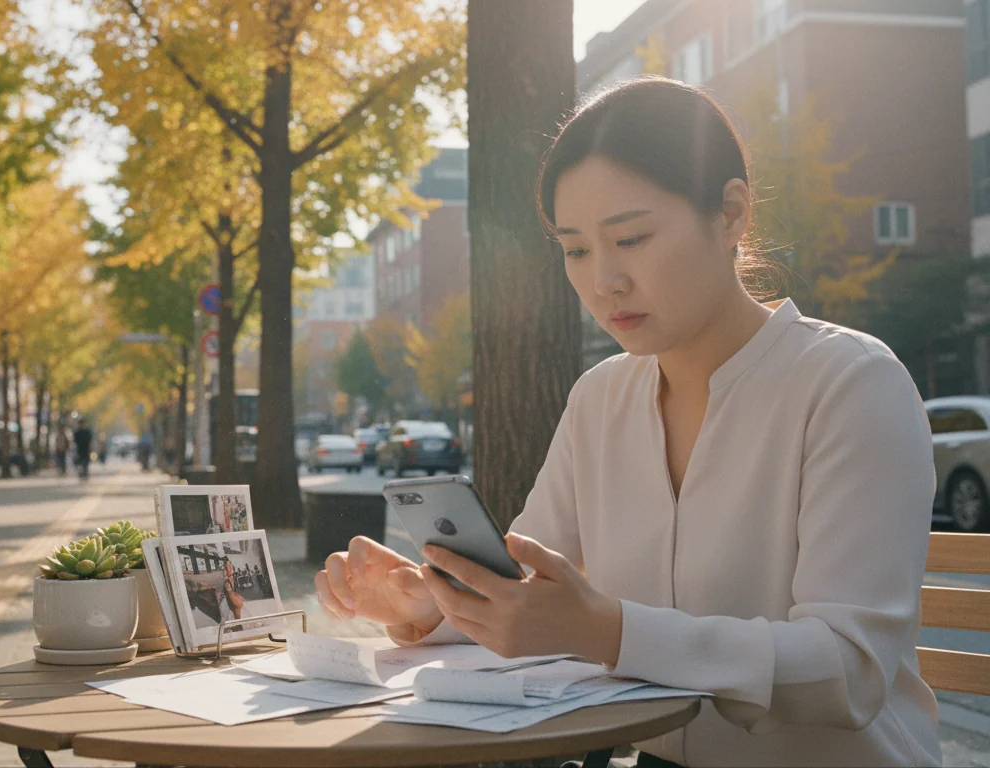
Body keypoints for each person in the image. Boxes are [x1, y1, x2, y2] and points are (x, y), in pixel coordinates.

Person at [314, 78, 940, 768]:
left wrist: (608, 632)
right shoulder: (601, 398)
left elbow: (848, 670)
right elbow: (531, 604)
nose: (603, 281)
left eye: (631, 238)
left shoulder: (851, 383)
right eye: (577, 250)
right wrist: (427, 606)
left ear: (731, 213)